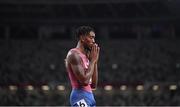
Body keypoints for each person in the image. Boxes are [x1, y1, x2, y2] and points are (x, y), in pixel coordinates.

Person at [65, 26, 100, 107]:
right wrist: (92, 61)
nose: (93, 41)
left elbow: (94, 85)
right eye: (91, 38)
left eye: (94, 38)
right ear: (82, 38)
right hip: (80, 96)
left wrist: (95, 62)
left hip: (90, 96)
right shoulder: (74, 54)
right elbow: (84, 81)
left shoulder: (87, 56)